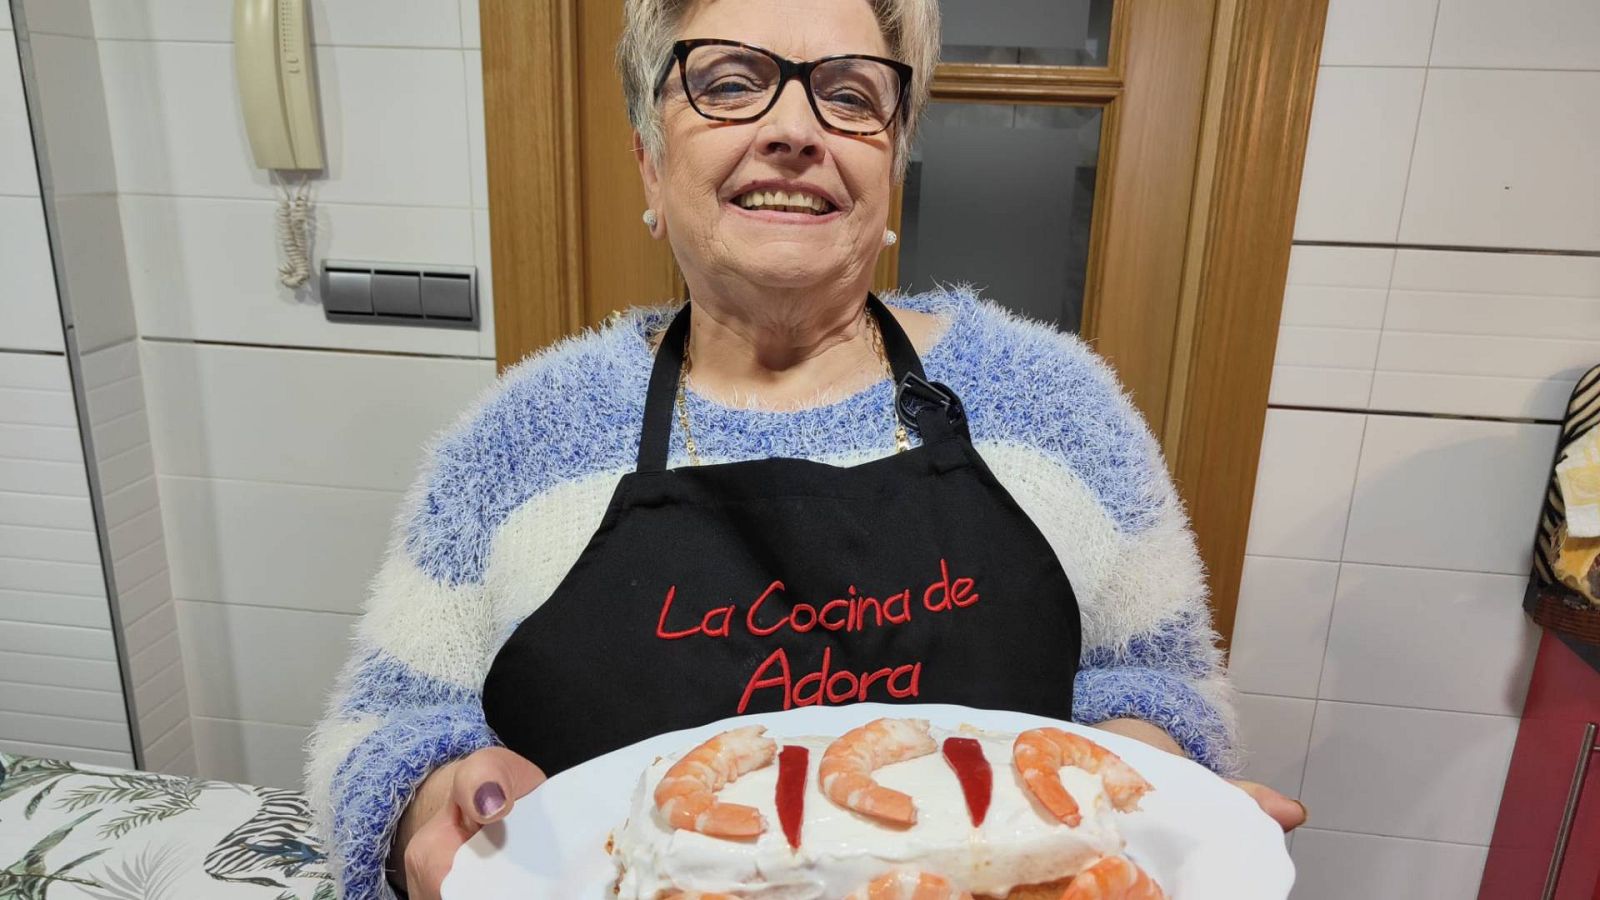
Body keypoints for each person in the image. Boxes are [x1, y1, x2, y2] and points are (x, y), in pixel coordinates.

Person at [307, 0, 1305, 897]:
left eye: (848, 96)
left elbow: (1161, 682)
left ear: (893, 159)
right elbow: (383, 723)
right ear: (650, 158)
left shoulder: (1057, 409)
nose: (793, 131)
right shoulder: (521, 438)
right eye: (730, 84)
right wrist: (430, 805)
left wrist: (1152, 788)